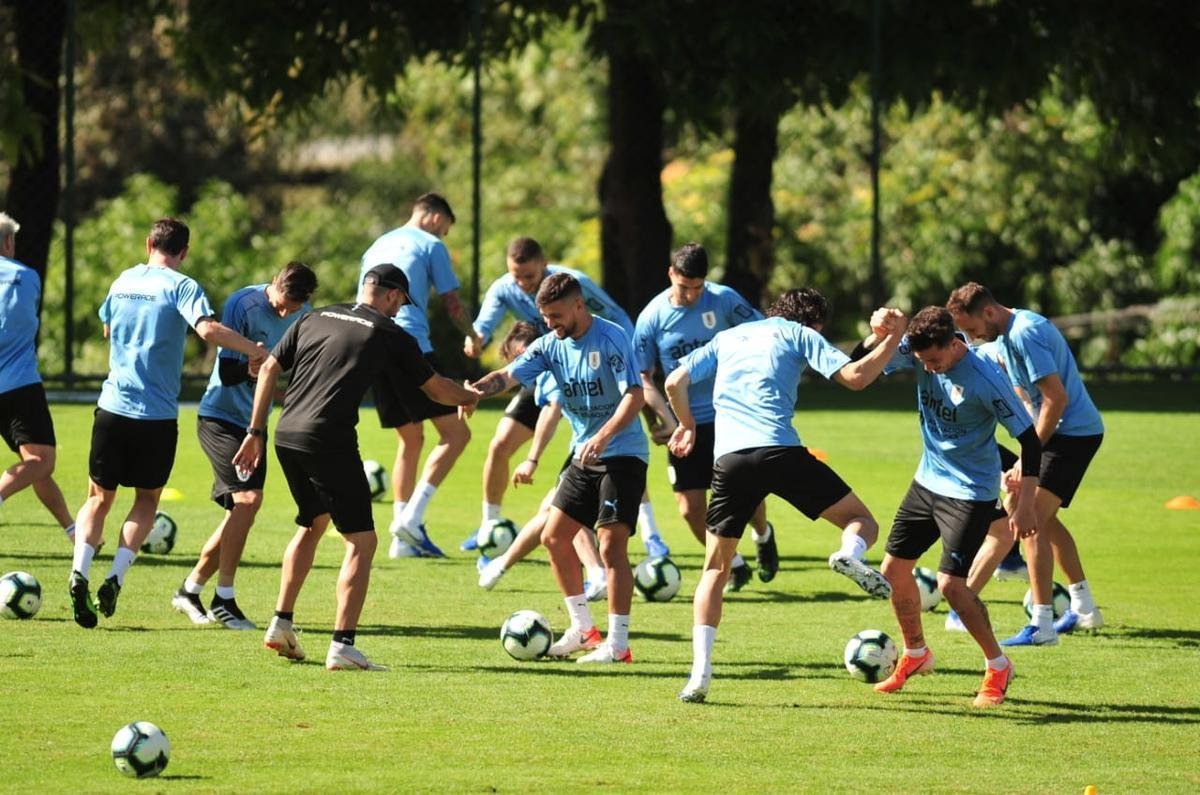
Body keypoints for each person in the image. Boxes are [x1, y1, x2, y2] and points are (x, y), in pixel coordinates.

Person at [234, 263, 479, 671]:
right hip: (328, 439)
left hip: (286, 434)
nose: (401, 309)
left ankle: (280, 623)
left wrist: (255, 430)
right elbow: (436, 388)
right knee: (362, 543)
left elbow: (270, 367)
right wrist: (469, 396)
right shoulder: (388, 333)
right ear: (388, 294)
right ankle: (342, 646)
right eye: (401, 301)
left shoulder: (315, 315)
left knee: (311, 524)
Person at [666, 289, 900, 703]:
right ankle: (851, 553)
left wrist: (687, 425)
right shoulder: (798, 334)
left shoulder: (730, 336)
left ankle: (699, 675)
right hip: (781, 450)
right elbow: (856, 378)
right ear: (815, 323)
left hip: (731, 459)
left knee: (714, 571)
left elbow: (674, 381)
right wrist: (893, 337)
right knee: (861, 522)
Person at [68, 218, 267, 629]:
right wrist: (254, 349)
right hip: (155, 415)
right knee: (146, 501)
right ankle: (115, 577)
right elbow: (207, 329)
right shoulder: (182, 286)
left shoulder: (122, 280)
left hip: (111, 407)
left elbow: (107, 327)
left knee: (98, 498)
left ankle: (79, 573)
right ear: (184, 251)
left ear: (148, 244)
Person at [864, 306, 1040, 708]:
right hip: (927, 481)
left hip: (970, 491)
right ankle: (916, 653)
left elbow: (1030, 441)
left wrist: (1025, 504)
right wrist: (878, 334)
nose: (928, 368)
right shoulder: (916, 349)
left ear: (953, 343)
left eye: (935, 360)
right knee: (893, 571)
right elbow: (859, 363)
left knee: (951, 586)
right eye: (922, 361)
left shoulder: (984, 378)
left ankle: (998, 665)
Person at [470, 273, 647, 664]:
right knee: (554, 537)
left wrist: (601, 437)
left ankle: (618, 645)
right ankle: (584, 630)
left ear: (579, 306)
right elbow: (506, 376)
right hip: (583, 455)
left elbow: (635, 395)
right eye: (545, 316)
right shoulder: (550, 345)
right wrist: (473, 392)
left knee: (611, 544)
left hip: (622, 454)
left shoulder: (612, 337)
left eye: (556, 315)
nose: (550, 324)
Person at [461, 236, 666, 557]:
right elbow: (504, 373)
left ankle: (650, 534)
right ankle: (490, 526)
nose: (522, 284)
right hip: (551, 370)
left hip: (598, 386)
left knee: (617, 467)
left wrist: (632, 361)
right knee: (505, 451)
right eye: (516, 277)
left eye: (529, 277)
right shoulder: (538, 329)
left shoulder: (584, 297)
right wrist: (473, 389)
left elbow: (620, 326)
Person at [948, 282, 1105, 644]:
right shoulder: (1002, 337)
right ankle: (1083, 607)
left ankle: (1042, 625)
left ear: (987, 311)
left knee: (1025, 515)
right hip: (1060, 435)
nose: (972, 340)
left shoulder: (1025, 333)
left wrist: (1027, 457)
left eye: (972, 330)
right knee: (1042, 520)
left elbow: (1056, 399)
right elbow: (1025, 394)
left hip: (1073, 435)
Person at [171, 262, 317, 630]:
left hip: (257, 424)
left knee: (241, 512)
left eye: (294, 308)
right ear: (273, 285)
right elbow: (228, 372)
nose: (286, 313)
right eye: (282, 304)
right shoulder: (244, 303)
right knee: (248, 501)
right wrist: (259, 366)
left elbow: (297, 370)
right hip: (220, 418)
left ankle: (190, 590)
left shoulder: (305, 314)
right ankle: (224, 598)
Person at [635, 242, 775, 591]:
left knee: (747, 495)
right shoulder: (652, 317)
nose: (692, 295)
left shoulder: (724, 299)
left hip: (731, 414)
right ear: (671, 275)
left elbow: (762, 333)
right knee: (689, 508)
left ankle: (763, 534)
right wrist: (664, 419)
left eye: (698, 288)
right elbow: (642, 377)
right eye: (684, 287)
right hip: (683, 423)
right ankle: (736, 565)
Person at [359, 193, 476, 558]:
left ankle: (401, 542)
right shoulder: (430, 244)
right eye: (445, 228)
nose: (443, 236)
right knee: (457, 433)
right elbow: (452, 302)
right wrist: (473, 335)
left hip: (369, 343)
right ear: (433, 216)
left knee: (410, 439)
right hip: (408, 343)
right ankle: (411, 518)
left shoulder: (378, 244)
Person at [476, 324, 609, 600]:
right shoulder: (552, 362)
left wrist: (532, 460)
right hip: (595, 443)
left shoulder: (552, 366)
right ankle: (502, 566)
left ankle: (598, 575)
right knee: (554, 510)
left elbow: (553, 409)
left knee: (564, 512)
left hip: (599, 445)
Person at [0, 212, 76, 541]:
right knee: (41, 461)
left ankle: (75, 532)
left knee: (32, 462)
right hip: (18, 385)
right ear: (8, 242)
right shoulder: (26, 277)